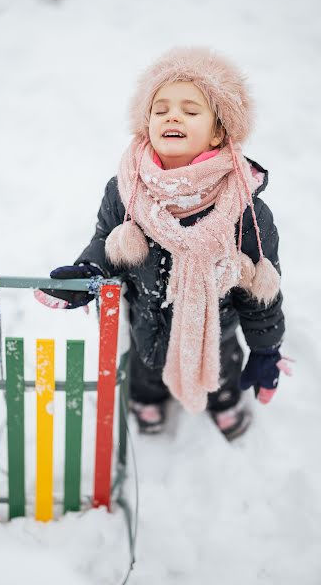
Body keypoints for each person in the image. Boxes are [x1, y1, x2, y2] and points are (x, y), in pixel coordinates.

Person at [35, 47, 287, 441]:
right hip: (148, 319)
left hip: (216, 327)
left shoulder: (245, 209)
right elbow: (106, 240)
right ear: (146, 123)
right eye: (161, 109)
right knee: (147, 368)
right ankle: (146, 399)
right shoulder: (127, 191)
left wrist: (266, 350)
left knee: (221, 371)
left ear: (219, 131)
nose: (172, 116)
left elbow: (259, 292)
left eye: (190, 110)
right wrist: (90, 270)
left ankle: (223, 402)